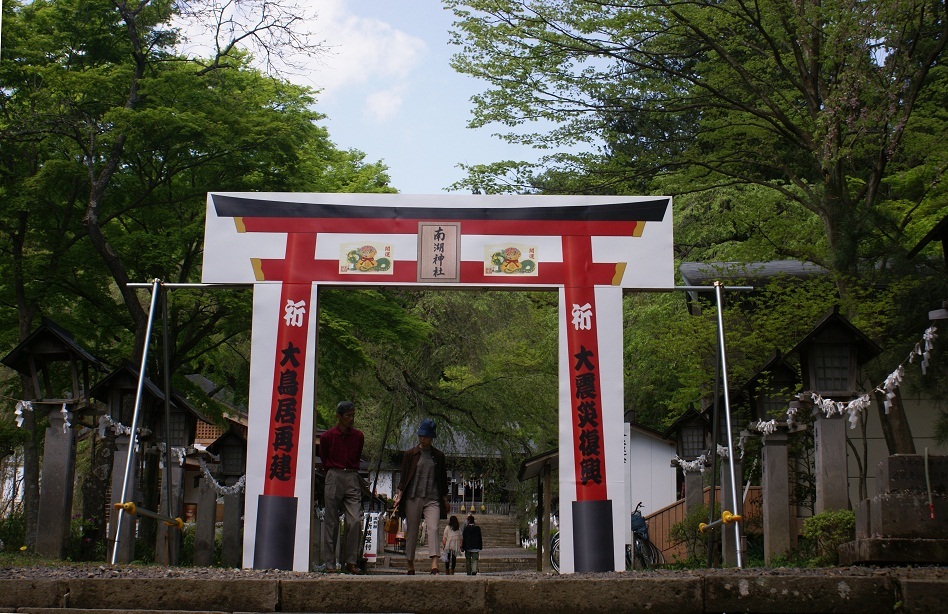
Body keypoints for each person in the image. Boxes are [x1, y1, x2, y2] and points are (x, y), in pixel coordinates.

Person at [393, 418, 448, 575]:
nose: (422, 438)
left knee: (434, 527)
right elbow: (403, 478)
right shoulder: (410, 454)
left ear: (431, 437)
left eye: (425, 436)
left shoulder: (438, 456)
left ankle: (434, 564)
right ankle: (410, 563)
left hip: (432, 498)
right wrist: (399, 496)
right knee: (412, 530)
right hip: (413, 497)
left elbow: (443, 479)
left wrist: (445, 499)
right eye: (420, 435)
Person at [318, 400, 365, 574]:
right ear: (339, 417)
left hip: (352, 475)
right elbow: (323, 457)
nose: (351, 419)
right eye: (348, 416)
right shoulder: (327, 437)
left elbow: (358, 454)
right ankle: (330, 563)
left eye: (353, 415)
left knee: (354, 520)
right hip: (334, 474)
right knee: (331, 521)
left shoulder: (358, 436)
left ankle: (350, 561)